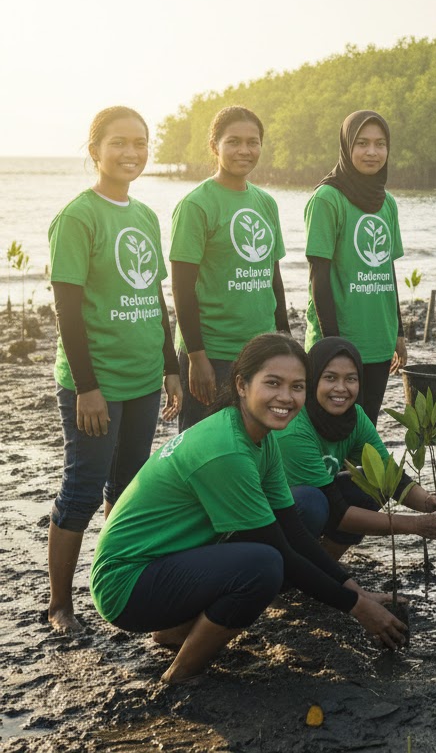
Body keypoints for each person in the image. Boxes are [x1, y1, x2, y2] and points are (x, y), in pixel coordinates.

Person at [89, 334, 407, 685]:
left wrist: (357, 592)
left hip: (166, 558)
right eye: (273, 383)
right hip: (125, 584)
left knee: (305, 507)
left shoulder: (259, 436)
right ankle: (180, 674)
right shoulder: (228, 450)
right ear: (241, 384)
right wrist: (359, 608)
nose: (286, 397)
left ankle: (176, 629)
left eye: (297, 386)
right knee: (263, 565)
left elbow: (296, 534)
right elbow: (282, 553)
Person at [47, 106, 182, 632]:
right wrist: (87, 388)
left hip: (145, 377)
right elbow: (67, 309)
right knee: (82, 488)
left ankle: (116, 582)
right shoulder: (78, 217)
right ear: (94, 150)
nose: (131, 153)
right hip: (96, 383)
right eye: (119, 143)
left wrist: (169, 364)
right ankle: (60, 603)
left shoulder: (145, 216)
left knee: (127, 489)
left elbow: (153, 294)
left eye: (140, 144)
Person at [279, 337, 436, 557]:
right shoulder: (295, 429)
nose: (341, 388)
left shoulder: (356, 418)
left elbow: (390, 475)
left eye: (350, 379)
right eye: (330, 378)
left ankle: (326, 563)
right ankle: (290, 570)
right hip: (270, 518)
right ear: (312, 379)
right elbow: (339, 514)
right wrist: (414, 525)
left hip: (321, 503)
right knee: (311, 503)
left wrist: (429, 502)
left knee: (373, 482)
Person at [170, 106, 289, 431]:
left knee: (258, 441)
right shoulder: (196, 205)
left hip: (261, 349)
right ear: (214, 146)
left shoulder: (266, 203)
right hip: (213, 352)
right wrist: (197, 357)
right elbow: (181, 287)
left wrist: (285, 339)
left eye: (253, 142)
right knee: (203, 446)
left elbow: (272, 277)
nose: (244, 150)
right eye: (233, 141)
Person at [304, 111, 407, 425]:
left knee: (365, 427)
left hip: (379, 339)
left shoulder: (387, 203)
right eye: (362, 143)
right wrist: (333, 345)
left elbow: (387, 271)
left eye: (380, 144)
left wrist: (399, 333)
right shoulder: (327, 198)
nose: (372, 152)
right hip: (338, 340)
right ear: (347, 147)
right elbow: (318, 278)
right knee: (330, 430)